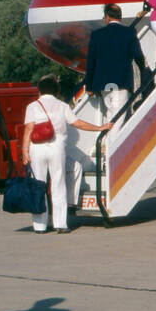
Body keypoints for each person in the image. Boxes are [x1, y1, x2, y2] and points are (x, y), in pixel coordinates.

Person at [20, 76, 110, 234]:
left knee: (38, 186)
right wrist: (100, 128)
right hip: (56, 148)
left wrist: (24, 152)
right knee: (58, 184)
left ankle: (40, 226)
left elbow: (28, 129)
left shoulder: (32, 106)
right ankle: (60, 224)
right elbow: (78, 123)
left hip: (37, 149)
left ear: (39, 91)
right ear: (57, 91)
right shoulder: (62, 106)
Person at [85, 5, 148, 121]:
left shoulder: (96, 35)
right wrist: (144, 73)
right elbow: (138, 56)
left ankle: (108, 138)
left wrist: (89, 86)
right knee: (117, 120)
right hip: (121, 83)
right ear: (120, 17)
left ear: (107, 17)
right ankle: (111, 139)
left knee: (111, 116)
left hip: (102, 85)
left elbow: (90, 63)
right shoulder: (129, 32)